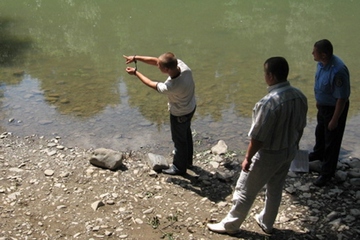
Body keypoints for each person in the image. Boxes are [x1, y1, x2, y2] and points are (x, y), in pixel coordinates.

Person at [207, 57, 307, 235]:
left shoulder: (268, 103)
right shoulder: (299, 96)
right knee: (275, 188)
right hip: (289, 150)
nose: (264, 76)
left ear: (271, 76)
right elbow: (300, 126)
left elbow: (258, 137)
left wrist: (247, 158)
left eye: (265, 72)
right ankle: (267, 223)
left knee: (245, 189)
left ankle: (230, 226)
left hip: (268, 154)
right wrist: (295, 146)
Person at [124, 52, 196, 176]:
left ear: (166, 69)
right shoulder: (183, 66)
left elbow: (150, 83)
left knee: (179, 140)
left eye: (159, 66)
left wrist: (136, 73)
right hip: (191, 107)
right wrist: (136, 58)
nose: (157, 66)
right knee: (186, 134)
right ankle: (188, 161)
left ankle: (179, 168)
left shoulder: (171, 86)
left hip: (180, 114)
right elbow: (157, 61)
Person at [309, 39, 350, 187]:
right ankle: (318, 154)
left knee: (332, 140)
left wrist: (335, 119)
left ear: (324, 55)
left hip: (335, 109)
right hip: (323, 106)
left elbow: (342, 98)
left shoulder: (338, 70)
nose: (312, 53)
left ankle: (327, 173)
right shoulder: (321, 64)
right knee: (320, 132)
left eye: (315, 51)